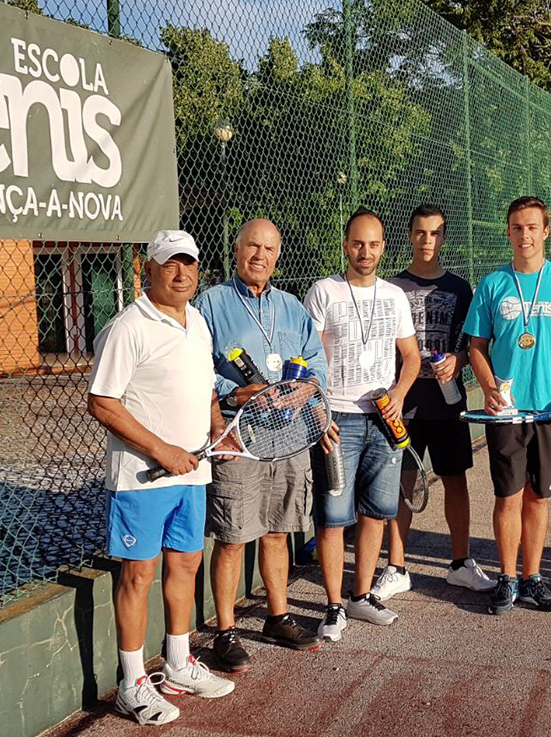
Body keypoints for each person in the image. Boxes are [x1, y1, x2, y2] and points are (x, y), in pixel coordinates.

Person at [87, 230, 233, 727]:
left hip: (193, 472)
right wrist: (161, 450)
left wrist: (216, 428)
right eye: (169, 264)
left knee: (187, 564)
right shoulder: (127, 327)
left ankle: (177, 664)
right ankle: (131, 684)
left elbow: (207, 387)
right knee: (137, 575)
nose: (181, 273)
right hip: (141, 478)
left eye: (188, 263)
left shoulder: (198, 322)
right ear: (148, 269)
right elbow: (102, 401)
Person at [193, 219, 327, 669]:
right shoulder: (210, 303)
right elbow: (194, 368)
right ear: (236, 249)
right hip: (235, 435)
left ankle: (277, 616)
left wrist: (307, 389)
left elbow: (316, 366)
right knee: (232, 536)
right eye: (253, 245)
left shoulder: (292, 306)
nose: (260, 256)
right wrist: (232, 394)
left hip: (288, 436)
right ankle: (226, 632)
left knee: (276, 532)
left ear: (277, 254)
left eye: (269, 248)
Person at [464, 196, 551, 615]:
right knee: (508, 496)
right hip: (506, 412)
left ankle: (532, 577)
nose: (525, 235)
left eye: (532, 227)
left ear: (545, 231)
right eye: (517, 227)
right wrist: (488, 388)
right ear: (508, 232)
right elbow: (476, 345)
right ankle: (506, 577)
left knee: (539, 497)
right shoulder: (492, 285)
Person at [303, 208, 421, 641]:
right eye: (357, 243)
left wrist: (398, 395)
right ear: (345, 245)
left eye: (372, 244)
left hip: (383, 419)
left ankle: (362, 594)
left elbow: (411, 357)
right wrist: (318, 412)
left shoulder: (394, 296)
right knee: (334, 516)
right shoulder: (324, 292)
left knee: (377, 512)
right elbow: (307, 360)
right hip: (337, 417)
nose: (365, 252)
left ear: (383, 247)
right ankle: (334, 606)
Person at [371, 204, 494, 601]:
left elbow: (469, 342)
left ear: (444, 238)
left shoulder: (460, 288)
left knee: (455, 479)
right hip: (402, 401)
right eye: (421, 233)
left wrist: (457, 361)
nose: (428, 241)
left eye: (435, 233)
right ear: (409, 236)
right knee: (402, 483)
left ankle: (460, 564)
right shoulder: (390, 288)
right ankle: (397, 566)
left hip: (447, 402)